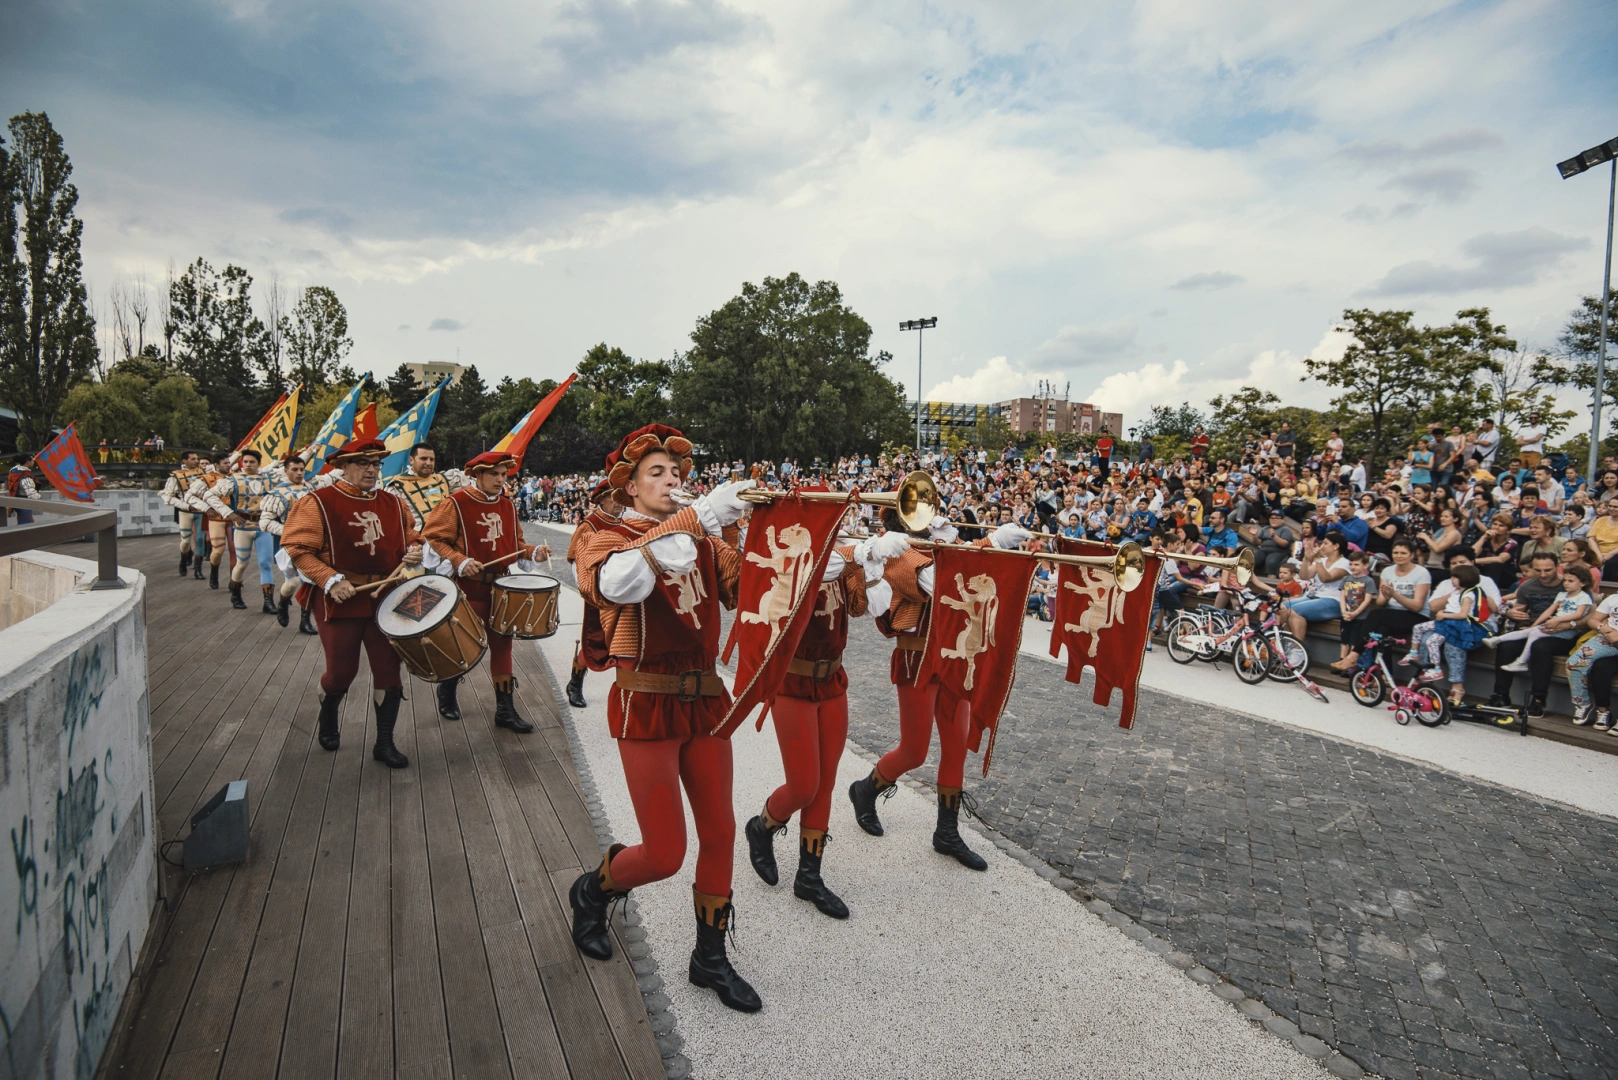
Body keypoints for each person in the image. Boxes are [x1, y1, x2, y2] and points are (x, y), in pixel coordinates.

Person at [568, 424, 762, 1012]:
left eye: (676, 473)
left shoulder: (702, 538)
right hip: (646, 700)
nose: (671, 480)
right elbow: (613, 584)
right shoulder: (601, 535)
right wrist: (696, 518)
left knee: (721, 831)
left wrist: (794, 535)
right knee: (664, 853)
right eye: (656, 472)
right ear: (629, 486)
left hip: (705, 700)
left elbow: (753, 587)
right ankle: (593, 890)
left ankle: (710, 957)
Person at [847, 510, 1031, 871]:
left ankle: (947, 832)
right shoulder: (897, 552)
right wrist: (986, 542)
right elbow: (941, 580)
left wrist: (981, 542)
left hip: (951, 658)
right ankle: (865, 789)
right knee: (914, 751)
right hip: (917, 659)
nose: (929, 516)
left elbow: (964, 565)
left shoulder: (939, 548)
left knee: (956, 745)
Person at [744, 533, 878, 921]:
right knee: (804, 785)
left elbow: (860, 607)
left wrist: (869, 564)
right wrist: (851, 554)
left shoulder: (838, 552)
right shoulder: (794, 553)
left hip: (832, 679)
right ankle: (763, 826)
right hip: (793, 681)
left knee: (827, 782)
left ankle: (809, 877)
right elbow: (796, 584)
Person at [281, 438, 424, 767]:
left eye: (376, 464)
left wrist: (414, 550)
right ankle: (329, 711)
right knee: (342, 672)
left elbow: (413, 537)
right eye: (363, 463)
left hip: (386, 596)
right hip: (340, 598)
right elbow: (298, 549)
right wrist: (331, 579)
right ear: (343, 466)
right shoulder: (317, 503)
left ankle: (384, 743)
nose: (372, 470)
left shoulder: (394, 503)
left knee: (388, 669)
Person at [421, 451, 553, 729]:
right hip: (467, 589)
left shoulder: (508, 506)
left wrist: (534, 553)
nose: (500, 479)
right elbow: (433, 539)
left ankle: (505, 710)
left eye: (503, 474)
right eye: (494, 474)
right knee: (464, 646)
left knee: (503, 647)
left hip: (502, 589)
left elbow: (517, 545)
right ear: (478, 474)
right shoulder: (455, 504)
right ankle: (447, 689)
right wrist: (459, 559)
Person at [1485, 552, 1572, 716]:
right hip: (1534, 628)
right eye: (1538, 570)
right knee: (1506, 646)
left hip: (1563, 633)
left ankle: (1538, 700)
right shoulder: (1527, 586)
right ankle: (1501, 695)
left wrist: (1567, 625)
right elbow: (1520, 611)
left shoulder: (1569, 584)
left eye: (1548, 570)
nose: (1543, 575)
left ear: (1557, 566)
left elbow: (1588, 614)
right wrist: (1513, 615)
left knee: (1540, 647)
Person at [563, 482, 623, 708]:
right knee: (596, 641)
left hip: (626, 594)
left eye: (621, 497)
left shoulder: (627, 523)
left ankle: (628, 691)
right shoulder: (589, 525)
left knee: (627, 643)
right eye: (613, 497)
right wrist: (589, 590)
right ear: (601, 500)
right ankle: (574, 684)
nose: (619, 502)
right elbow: (577, 562)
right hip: (599, 594)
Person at [1402, 563, 1490, 705]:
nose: (1451, 580)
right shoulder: (1454, 591)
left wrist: (1444, 615)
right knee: (1425, 637)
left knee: (1452, 645)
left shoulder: (1470, 593)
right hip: (1445, 621)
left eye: (1454, 577)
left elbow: (1464, 614)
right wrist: (1444, 611)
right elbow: (1436, 605)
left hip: (1460, 625)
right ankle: (1425, 678)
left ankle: (1455, 686)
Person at [206, 449, 278, 613]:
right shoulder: (233, 480)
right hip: (242, 527)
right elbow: (209, 495)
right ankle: (236, 595)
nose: (248, 465)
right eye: (245, 462)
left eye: (252, 462)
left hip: (262, 526)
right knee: (242, 563)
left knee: (265, 564)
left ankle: (268, 602)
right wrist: (228, 513)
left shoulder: (268, 478)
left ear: (259, 463)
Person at [1484, 564, 1593, 673]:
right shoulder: (1562, 594)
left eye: (1570, 581)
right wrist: (1534, 625)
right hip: (1553, 624)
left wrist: (1558, 620)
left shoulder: (1583, 596)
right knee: (1529, 631)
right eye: (1565, 580)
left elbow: (1579, 615)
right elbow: (1548, 611)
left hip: (1567, 630)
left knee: (1534, 634)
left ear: (1582, 583)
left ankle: (1521, 661)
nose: (1566, 583)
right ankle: (1498, 640)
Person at [258, 453, 319, 634]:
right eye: (294, 469)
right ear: (285, 471)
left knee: (311, 583)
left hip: (313, 543)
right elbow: (265, 522)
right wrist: (290, 531)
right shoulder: (278, 494)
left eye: (301, 469)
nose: (299, 473)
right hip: (290, 544)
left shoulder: (313, 489)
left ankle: (305, 620)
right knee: (292, 583)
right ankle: (283, 602)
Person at [382, 442, 471, 532]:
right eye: (423, 459)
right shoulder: (397, 487)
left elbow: (474, 478)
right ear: (411, 460)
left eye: (432, 459)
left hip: (448, 534)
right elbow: (390, 519)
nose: (428, 463)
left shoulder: (444, 479)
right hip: (419, 538)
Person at [1279, 531, 1350, 641]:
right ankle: (1290, 642)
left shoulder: (1345, 564)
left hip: (1334, 601)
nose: (1322, 546)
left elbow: (1326, 578)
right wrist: (1306, 559)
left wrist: (1317, 559)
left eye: (1325, 543)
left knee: (1295, 611)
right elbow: (1304, 576)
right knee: (1283, 607)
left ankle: (1298, 647)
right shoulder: (1322, 561)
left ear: (1336, 546)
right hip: (1316, 596)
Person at [1360, 537, 1432, 641]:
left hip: (1417, 616)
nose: (1398, 556)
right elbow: (1380, 602)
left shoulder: (1422, 573)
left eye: (1403, 553)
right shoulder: (1387, 571)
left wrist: (1395, 595)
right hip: (1392, 614)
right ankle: (1373, 651)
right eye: (1395, 553)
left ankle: (1356, 649)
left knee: (1376, 614)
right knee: (1382, 630)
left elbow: (1417, 607)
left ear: (1412, 555)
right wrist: (1386, 597)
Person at [1566, 589, 1618, 725]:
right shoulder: (1613, 599)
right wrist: (1602, 627)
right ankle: (1582, 704)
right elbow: (1593, 620)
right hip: (1606, 639)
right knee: (1574, 663)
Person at [187, 457, 232, 588]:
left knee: (235, 550)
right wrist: (206, 508)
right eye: (225, 463)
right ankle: (214, 573)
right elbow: (189, 496)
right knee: (218, 550)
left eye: (229, 462)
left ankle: (235, 580)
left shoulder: (235, 477)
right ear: (216, 465)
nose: (229, 465)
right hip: (216, 518)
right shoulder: (206, 478)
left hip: (233, 517)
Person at [1329, 551, 1377, 673]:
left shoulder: (1368, 581)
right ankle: (1341, 660)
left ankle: (1350, 664)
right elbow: (1342, 597)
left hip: (1360, 617)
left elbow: (1367, 600)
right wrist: (1344, 611)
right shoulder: (1346, 579)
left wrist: (1355, 613)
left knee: (1354, 641)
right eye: (1351, 564)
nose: (1353, 567)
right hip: (1346, 615)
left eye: (1356, 564)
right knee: (1344, 639)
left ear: (1365, 566)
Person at [161, 451, 207, 576]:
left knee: (200, 539)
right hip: (185, 511)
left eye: (197, 459)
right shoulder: (175, 477)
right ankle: (183, 559)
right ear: (184, 461)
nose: (196, 461)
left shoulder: (203, 472)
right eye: (193, 459)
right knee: (186, 541)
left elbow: (225, 465)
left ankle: (198, 569)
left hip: (201, 511)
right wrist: (185, 505)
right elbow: (168, 496)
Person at [6, 456, 40, 524]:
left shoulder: (14, 471)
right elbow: (31, 493)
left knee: (23, 522)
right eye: (32, 461)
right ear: (28, 462)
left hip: (15, 499)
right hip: (25, 502)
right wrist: (40, 499)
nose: (33, 463)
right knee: (26, 525)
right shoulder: (25, 476)